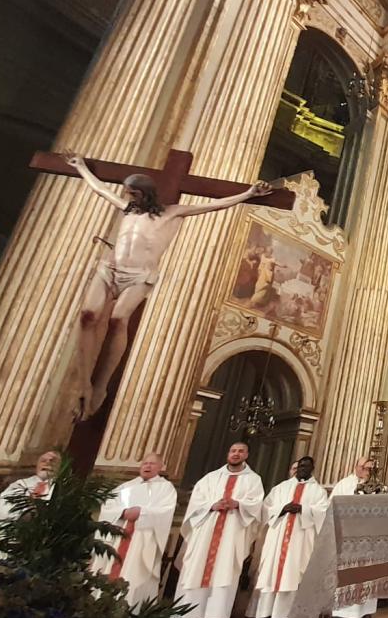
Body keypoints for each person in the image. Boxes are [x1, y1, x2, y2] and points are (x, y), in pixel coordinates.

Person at [60, 152, 273, 421]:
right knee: (87, 316)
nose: (127, 198)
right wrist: (81, 167)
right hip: (109, 269)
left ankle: (101, 385)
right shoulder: (127, 210)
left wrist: (248, 193)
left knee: (117, 319)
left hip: (139, 276)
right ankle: (84, 383)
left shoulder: (173, 213)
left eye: (131, 194)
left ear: (143, 194)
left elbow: (216, 205)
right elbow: (100, 189)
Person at [174, 442, 265, 618]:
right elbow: (196, 501)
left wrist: (238, 504)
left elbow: (256, 504)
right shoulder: (211, 478)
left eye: (240, 451)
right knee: (195, 569)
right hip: (206, 530)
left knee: (224, 570)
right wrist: (212, 505)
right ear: (228, 453)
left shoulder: (253, 480)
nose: (236, 454)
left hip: (231, 532)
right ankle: (187, 616)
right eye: (233, 451)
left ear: (247, 455)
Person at [91, 452, 178, 607]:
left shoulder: (166, 488)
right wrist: (122, 512)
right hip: (118, 536)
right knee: (108, 568)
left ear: (160, 467)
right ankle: (99, 605)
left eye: (152, 464)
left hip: (142, 539)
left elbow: (166, 510)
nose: (147, 466)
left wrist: (142, 512)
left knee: (135, 573)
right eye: (145, 463)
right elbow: (108, 505)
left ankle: (130, 609)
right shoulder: (126, 486)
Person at [251, 455, 330, 618]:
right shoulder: (281, 488)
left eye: (306, 466)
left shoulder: (319, 491)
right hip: (278, 537)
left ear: (312, 469)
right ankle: (264, 613)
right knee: (271, 573)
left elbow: (323, 512)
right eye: (300, 465)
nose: (302, 468)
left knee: (293, 573)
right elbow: (266, 508)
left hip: (300, 539)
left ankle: (285, 614)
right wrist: (283, 508)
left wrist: (304, 509)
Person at [0, 450, 59, 563]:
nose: (47, 464)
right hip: (12, 540)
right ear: (37, 465)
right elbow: (0, 511)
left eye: (53, 461)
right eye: (43, 461)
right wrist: (22, 515)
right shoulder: (19, 485)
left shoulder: (61, 489)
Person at [331, 457, 380, 618]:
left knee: (367, 570)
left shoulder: (377, 486)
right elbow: (332, 506)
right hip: (347, 533)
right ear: (356, 467)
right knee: (345, 570)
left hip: (368, 534)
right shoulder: (343, 485)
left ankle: (364, 609)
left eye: (370, 469)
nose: (367, 472)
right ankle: (339, 610)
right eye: (364, 468)